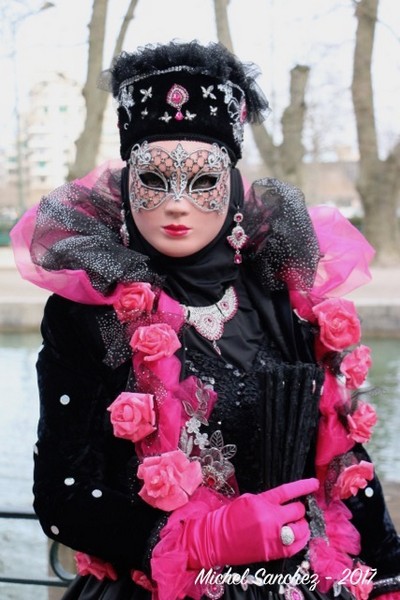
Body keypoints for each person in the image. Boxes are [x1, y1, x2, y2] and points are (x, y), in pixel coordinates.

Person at [11, 40, 400, 600]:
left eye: (202, 181)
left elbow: (341, 458)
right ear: (125, 184)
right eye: (154, 179)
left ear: (233, 187)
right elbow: (63, 496)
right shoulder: (89, 314)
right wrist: (200, 541)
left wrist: (387, 572)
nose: (176, 204)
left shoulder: (278, 294)